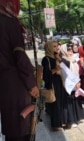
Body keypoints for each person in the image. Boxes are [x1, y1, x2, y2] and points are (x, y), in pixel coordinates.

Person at [0, 1, 39, 141]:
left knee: (11, 130)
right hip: (16, 85)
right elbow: (20, 56)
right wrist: (31, 83)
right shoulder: (10, 23)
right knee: (21, 130)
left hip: (4, 86)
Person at [41, 40, 66, 131]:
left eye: (57, 46)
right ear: (49, 48)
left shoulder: (56, 57)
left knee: (59, 103)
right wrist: (55, 70)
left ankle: (60, 121)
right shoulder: (46, 59)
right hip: (52, 83)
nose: (57, 48)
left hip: (59, 82)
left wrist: (59, 59)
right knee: (55, 104)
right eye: (54, 46)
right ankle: (55, 125)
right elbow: (45, 75)